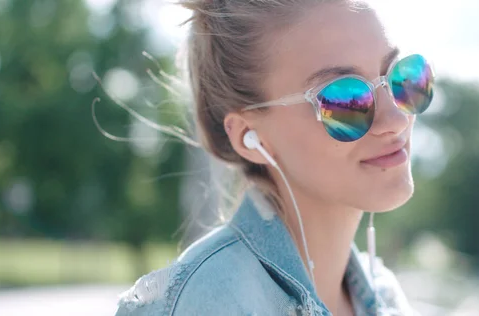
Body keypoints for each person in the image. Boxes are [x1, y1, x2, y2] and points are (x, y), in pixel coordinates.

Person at [115, 0, 434, 315]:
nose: (396, 119)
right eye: (344, 99)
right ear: (248, 137)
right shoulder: (203, 303)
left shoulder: (387, 296)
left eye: (401, 78)